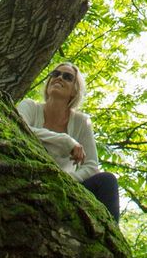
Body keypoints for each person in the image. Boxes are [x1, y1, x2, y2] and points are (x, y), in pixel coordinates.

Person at [17, 63, 120, 222]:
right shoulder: (29, 107)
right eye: (55, 74)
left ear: (74, 90)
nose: (59, 77)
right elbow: (19, 129)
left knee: (107, 181)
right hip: (28, 176)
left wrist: (67, 180)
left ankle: (113, 237)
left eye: (67, 77)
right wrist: (66, 141)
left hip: (66, 188)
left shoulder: (81, 122)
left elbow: (92, 165)